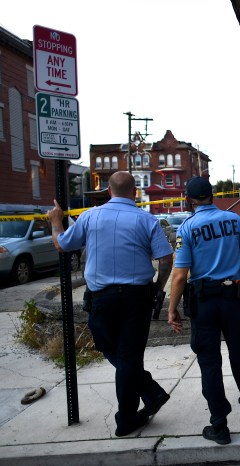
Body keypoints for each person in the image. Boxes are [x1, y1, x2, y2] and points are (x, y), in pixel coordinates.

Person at [47, 171, 173, 437]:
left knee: (112, 350)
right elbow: (165, 259)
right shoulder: (146, 219)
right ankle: (149, 393)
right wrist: (157, 290)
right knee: (127, 356)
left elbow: (61, 244)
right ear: (135, 192)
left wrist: (55, 221)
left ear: (108, 191)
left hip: (102, 299)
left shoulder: (90, 217)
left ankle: (128, 417)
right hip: (137, 298)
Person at [167, 176, 240, 445]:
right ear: (212, 195)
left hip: (204, 305)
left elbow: (179, 275)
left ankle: (220, 426)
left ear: (189, 199)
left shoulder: (187, 228)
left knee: (210, 364)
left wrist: (172, 308)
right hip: (233, 300)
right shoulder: (234, 220)